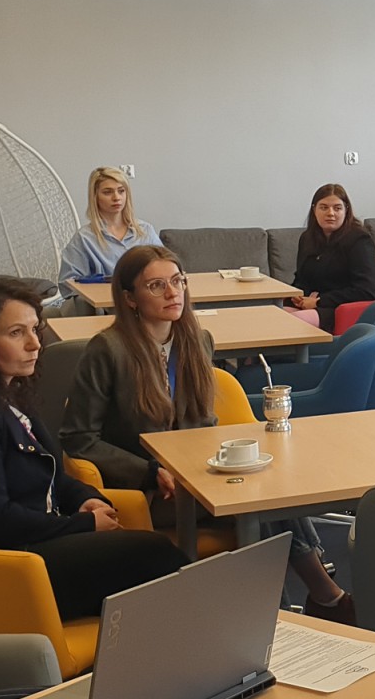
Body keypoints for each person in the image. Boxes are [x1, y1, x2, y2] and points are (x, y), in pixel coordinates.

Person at [61, 246, 356, 622]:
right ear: (130, 298)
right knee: (256, 503)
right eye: (156, 285)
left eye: (177, 281)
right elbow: (78, 438)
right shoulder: (107, 350)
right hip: (149, 488)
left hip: (200, 474)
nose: (172, 293)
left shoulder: (197, 341)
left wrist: (219, 461)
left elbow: (204, 423)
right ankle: (316, 600)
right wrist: (148, 472)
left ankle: (292, 609)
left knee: (263, 492)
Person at [0, 276, 189, 622]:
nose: (35, 344)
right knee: (156, 556)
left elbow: (51, 473)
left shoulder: (5, 396)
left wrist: (84, 498)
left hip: (30, 547)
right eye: (16, 333)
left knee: (156, 565)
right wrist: (83, 524)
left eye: (34, 329)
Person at [286, 183, 375, 331]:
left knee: (286, 324)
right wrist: (297, 296)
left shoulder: (359, 240)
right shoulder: (307, 238)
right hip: (312, 305)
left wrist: (319, 301)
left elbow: (366, 290)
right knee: (267, 317)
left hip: (340, 309)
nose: (330, 213)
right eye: (324, 207)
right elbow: (301, 279)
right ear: (314, 210)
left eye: (337, 208)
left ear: (346, 210)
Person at [59, 166, 161, 282]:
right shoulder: (84, 239)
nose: (116, 197)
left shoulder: (145, 231)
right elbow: (69, 284)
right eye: (107, 192)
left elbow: (166, 270)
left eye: (121, 191)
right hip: (104, 294)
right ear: (95, 197)